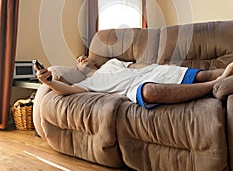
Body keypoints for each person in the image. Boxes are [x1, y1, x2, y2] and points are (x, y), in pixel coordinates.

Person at [34, 56, 233, 109]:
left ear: (94, 61)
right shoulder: (88, 83)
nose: (82, 60)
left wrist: (163, 67)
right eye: (78, 62)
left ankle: (221, 77)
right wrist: (48, 82)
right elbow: (66, 90)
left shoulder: (112, 63)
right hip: (136, 88)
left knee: (203, 74)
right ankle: (217, 85)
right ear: (78, 70)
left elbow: (138, 67)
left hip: (150, 72)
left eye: (84, 57)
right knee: (150, 92)